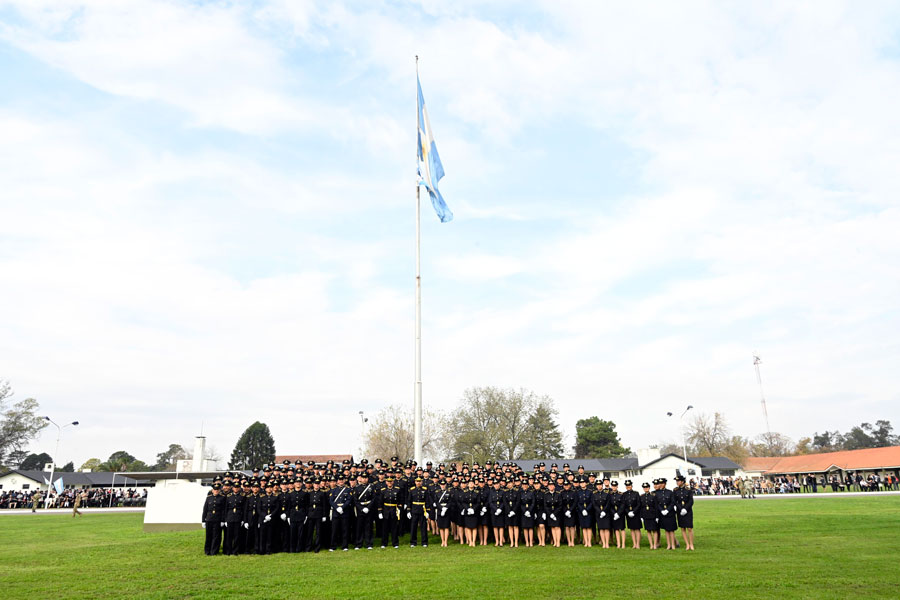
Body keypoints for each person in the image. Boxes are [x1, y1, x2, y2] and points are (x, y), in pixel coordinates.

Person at [201, 483, 226, 555]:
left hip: (218, 520)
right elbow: (205, 510)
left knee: (216, 536)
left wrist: (222, 520)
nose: (216, 491)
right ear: (212, 490)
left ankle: (214, 551)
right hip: (209, 519)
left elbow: (223, 510)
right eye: (215, 490)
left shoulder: (222, 498)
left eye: (217, 490)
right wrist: (203, 520)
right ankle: (207, 551)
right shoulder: (208, 498)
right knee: (208, 535)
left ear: (219, 490)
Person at [379, 475, 401, 549]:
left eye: (391, 481)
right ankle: (384, 543)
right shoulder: (383, 490)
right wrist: (380, 512)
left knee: (394, 528)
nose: (389, 483)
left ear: (393, 482)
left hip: (394, 510)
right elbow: (380, 502)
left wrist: (399, 509)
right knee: (385, 528)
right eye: (388, 482)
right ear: (386, 482)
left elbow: (400, 500)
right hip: (386, 510)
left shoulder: (397, 490)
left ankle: (395, 543)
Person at [673, 475, 695, 551]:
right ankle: (687, 544)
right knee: (682, 528)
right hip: (679, 511)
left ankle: (691, 544)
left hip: (688, 511)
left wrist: (685, 509)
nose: (677, 482)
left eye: (678, 481)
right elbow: (675, 501)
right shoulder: (675, 490)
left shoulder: (688, 490)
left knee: (689, 528)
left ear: (682, 481)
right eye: (676, 481)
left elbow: (691, 501)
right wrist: (680, 508)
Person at [655, 478, 677, 550]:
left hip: (670, 513)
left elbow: (673, 502)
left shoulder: (670, 492)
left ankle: (673, 545)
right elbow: (657, 503)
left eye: (662, 483)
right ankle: (668, 545)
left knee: (671, 530)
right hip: (662, 514)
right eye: (660, 483)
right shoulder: (657, 493)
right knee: (666, 530)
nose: (661, 485)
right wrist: (661, 510)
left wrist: (667, 510)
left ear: (665, 484)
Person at [407, 476, 429, 547]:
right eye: (417, 481)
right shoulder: (412, 490)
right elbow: (409, 501)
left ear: (421, 482)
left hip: (422, 509)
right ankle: (413, 542)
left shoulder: (425, 490)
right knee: (413, 526)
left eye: (420, 481)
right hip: (414, 509)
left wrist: (428, 511)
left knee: (423, 526)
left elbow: (427, 501)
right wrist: (408, 511)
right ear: (415, 482)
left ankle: (424, 542)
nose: (418, 483)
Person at [622, 480, 642, 549]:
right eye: (627, 486)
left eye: (629, 485)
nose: (628, 487)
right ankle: (634, 544)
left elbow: (639, 504)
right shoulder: (624, 494)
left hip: (635, 514)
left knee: (637, 529)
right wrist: (628, 512)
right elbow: (624, 505)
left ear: (631, 486)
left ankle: (638, 544)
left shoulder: (636, 493)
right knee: (632, 529)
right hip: (628, 514)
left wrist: (634, 512)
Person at [433, 478, 454, 547]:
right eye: (441, 484)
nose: (442, 486)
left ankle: (446, 541)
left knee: (446, 527)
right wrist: (441, 509)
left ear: (446, 485)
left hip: (447, 511)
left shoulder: (449, 492)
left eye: (444, 484)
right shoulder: (437, 492)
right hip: (439, 510)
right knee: (441, 527)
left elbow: (450, 501)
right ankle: (442, 541)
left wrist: (446, 508)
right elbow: (436, 502)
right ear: (439, 485)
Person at [639, 482, 659, 549]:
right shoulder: (641, 496)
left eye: (647, 487)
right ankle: (651, 544)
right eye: (644, 487)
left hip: (653, 515)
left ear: (649, 488)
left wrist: (657, 516)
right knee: (648, 530)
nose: (645, 488)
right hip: (645, 515)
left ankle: (655, 544)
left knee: (655, 530)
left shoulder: (653, 496)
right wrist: (641, 516)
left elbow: (656, 506)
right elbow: (641, 507)